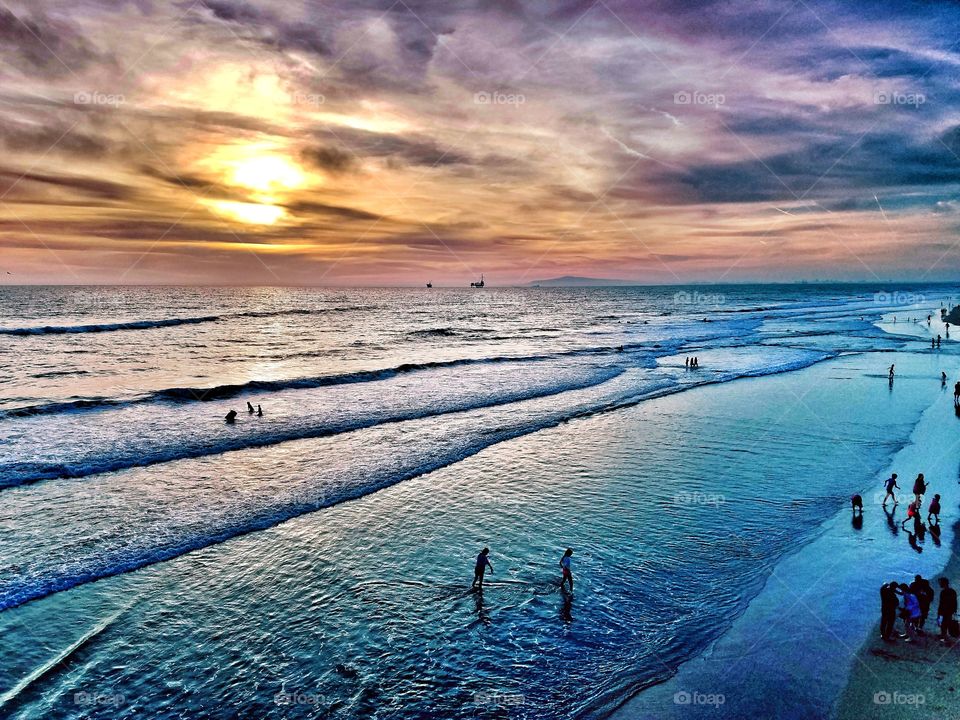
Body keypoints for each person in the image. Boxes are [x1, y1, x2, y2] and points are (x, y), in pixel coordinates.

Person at [938, 578, 958, 642]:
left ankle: (944, 637)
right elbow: (955, 602)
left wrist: (939, 613)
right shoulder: (952, 591)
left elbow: (941, 603)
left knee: (943, 624)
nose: (939, 584)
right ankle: (944, 636)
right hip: (950, 611)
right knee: (946, 623)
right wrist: (954, 610)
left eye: (940, 583)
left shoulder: (943, 592)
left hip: (944, 611)